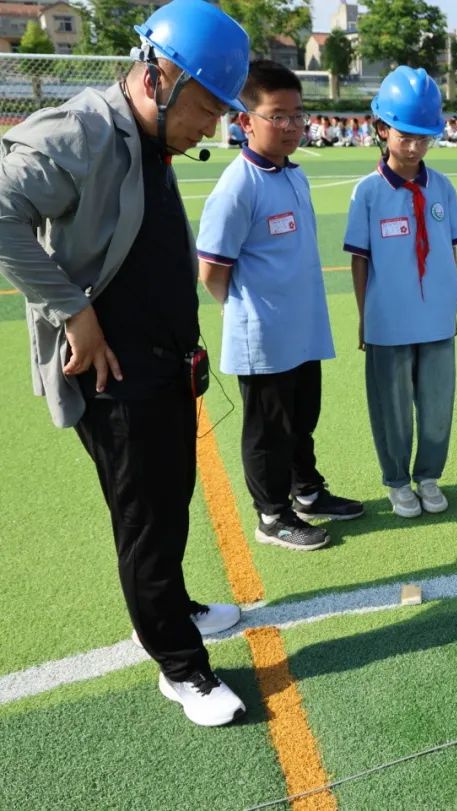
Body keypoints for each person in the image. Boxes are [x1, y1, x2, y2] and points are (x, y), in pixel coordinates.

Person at [0, 0, 250, 726]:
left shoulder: (146, 137)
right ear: (158, 75)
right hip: (115, 371)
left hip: (165, 360)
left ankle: (173, 606)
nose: (211, 127)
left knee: (169, 497)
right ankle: (180, 665)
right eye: (206, 108)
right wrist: (71, 311)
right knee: (144, 514)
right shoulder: (83, 128)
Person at [196, 60, 365, 552]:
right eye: (278, 116)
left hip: (303, 328)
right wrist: (244, 314)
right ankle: (271, 515)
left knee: (301, 417)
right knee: (268, 430)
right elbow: (212, 272)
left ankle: (306, 491)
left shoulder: (292, 174)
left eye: (298, 115)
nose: (292, 126)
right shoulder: (237, 187)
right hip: (264, 335)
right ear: (244, 121)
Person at [344, 66, 457, 518]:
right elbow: (360, 260)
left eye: (424, 137)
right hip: (387, 321)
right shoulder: (368, 193)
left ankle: (429, 476)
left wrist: (449, 304)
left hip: (436, 319)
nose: (414, 146)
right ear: (382, 129)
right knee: (392, 409)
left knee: (436, 405)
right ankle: (397, 481)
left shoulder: (444, 189)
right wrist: (363, 316)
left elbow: (450, 254)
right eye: (405, 135)